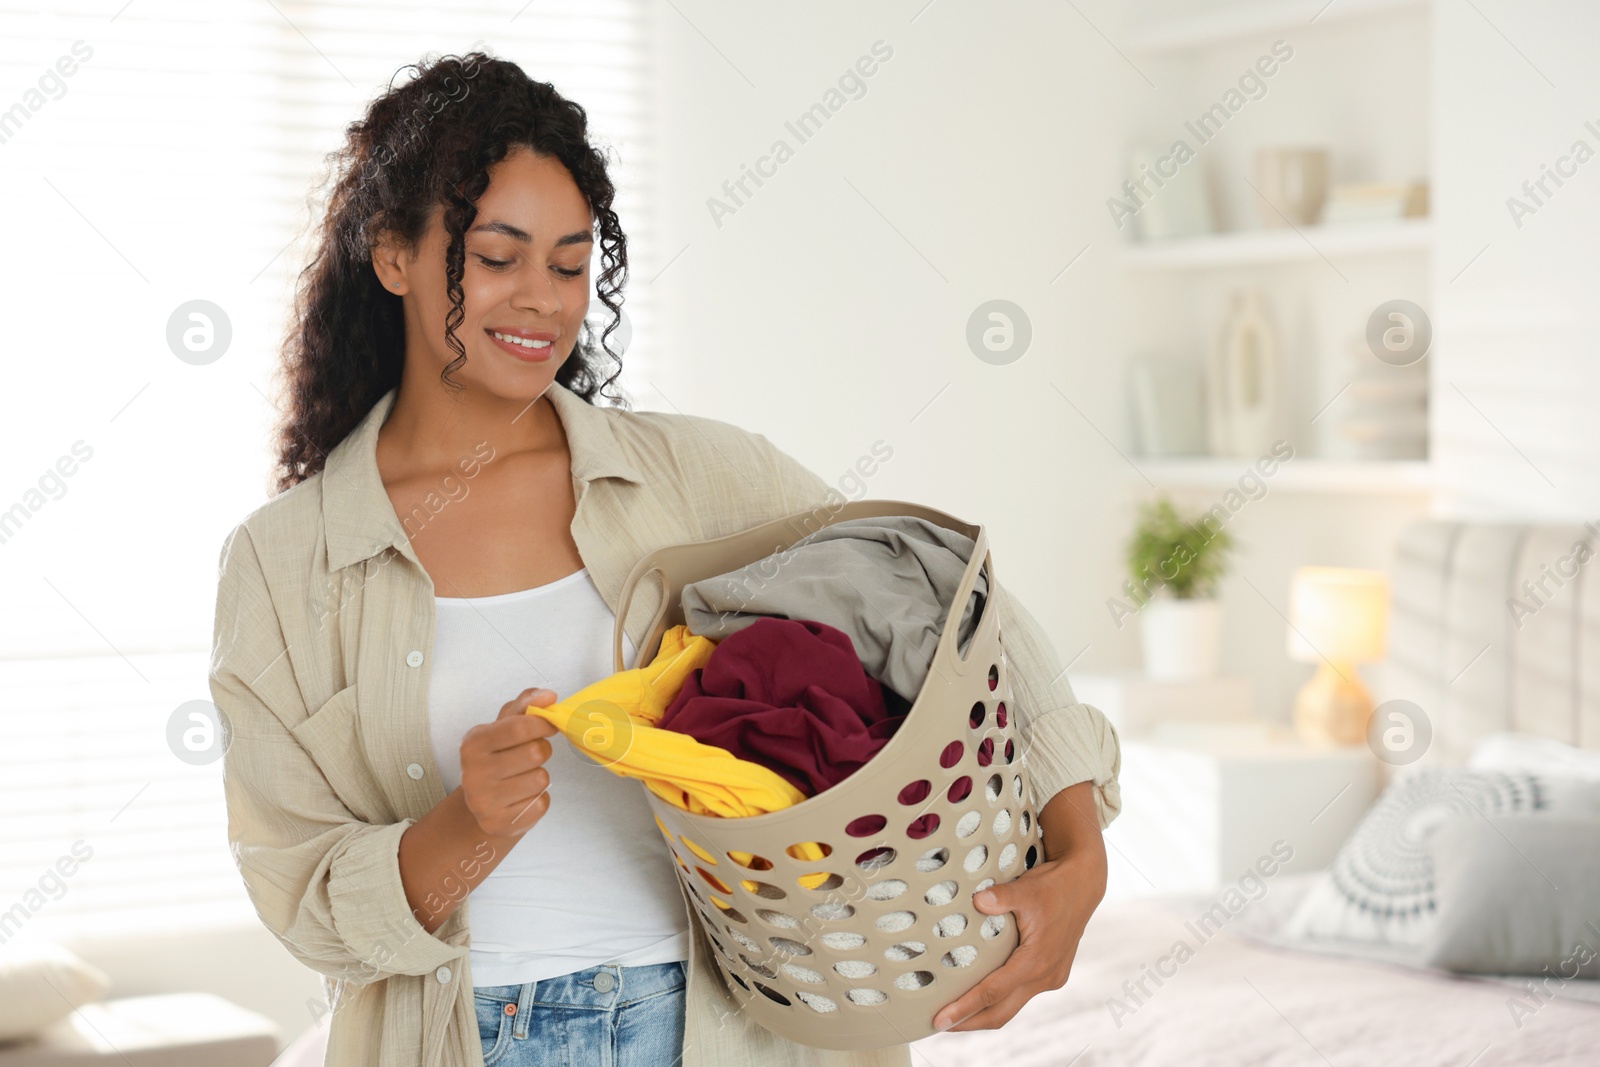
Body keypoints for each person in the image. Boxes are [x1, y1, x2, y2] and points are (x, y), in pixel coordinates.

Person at [208, 50, 1122, 1067]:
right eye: (499, 256)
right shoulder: (285, 564)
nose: (542, 301)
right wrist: (461, 826)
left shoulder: (696, 476)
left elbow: (953, 601)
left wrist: (1077, 850)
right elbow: (299, 892)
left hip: (732, 1028)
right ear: (393, 255)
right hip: (469, 1035)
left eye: (568, 262)